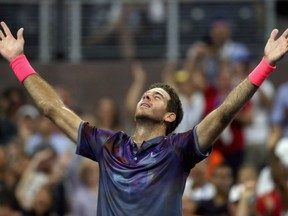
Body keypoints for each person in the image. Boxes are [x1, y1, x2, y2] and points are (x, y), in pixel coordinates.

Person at [0, 21, 288, 216]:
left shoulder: (179, 149)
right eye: (146, 94)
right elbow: (53, 109)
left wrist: (265, 65)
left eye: (157, 96)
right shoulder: (108, 144)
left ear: (169, 116)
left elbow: (224, 112)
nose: (147, 96)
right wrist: (18, 60)